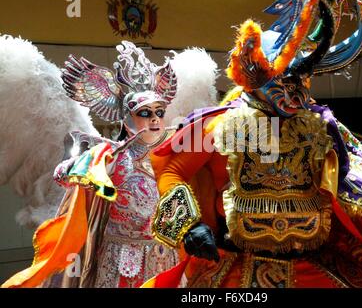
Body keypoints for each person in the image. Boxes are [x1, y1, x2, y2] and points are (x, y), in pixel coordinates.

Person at [148, 0, 362, 288]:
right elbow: (172, 171)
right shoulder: (219, 125)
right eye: (284, 82)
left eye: (301, 83)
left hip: (313, 262)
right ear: (256, 76)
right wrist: (189, 225)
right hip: (240, 266)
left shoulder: (319, 125)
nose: (295, 96)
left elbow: (350, 185)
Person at [1, 41, 217, 288]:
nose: (156, 120)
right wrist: (79, 165)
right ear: (127, 119)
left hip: (163, 262)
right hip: (120, 265)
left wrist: (192, 230)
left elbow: (174, 209)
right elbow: (64, 176)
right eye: (145, 113)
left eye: (159, 112)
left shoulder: (169, 159)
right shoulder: (110, 159)